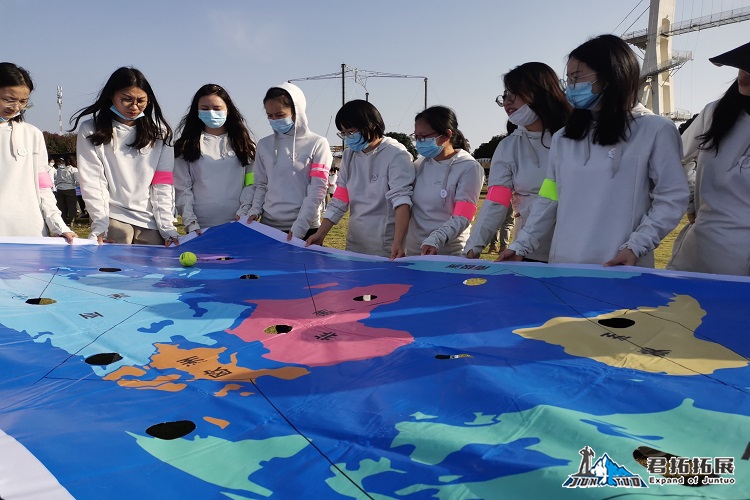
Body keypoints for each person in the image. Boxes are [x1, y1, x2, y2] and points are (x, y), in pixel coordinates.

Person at [498, 35, 689, 267]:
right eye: (568, 79)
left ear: (610, 76)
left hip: (618, 263)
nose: (570, 87)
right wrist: (522, 243)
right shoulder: (564, 137)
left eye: (577, 78)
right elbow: (550, 196)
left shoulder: (654, 130)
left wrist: (637, 245)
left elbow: (671, 197)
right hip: (564, 263)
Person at [465, 62, 571, 261]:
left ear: (541, 93)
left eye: (513, 95)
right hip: (528, 251)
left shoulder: (574, 138)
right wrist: (473, 247)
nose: (506, 102)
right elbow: (496, 201)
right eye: (504, 96)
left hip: (573, 247)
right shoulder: (508, 147)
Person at [71, 67, 179, 246]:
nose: (134, 107)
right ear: (111, 96)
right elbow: (92, 180)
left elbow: (163, 184)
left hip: (150, 221)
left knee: (154, 273)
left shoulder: (161, 134)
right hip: (112, 218)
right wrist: (100, 224)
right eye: (126, 99)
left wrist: (167, 227)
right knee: (113, 272)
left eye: (141, 100)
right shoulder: (91, 130)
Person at [668, 41, 750, 275]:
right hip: (699, 251)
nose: (744, 72)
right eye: (742, 65)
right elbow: (678, 158)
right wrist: (691, 204)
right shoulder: (715, 113)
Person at [305, 99, 415, 258]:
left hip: (385, 244)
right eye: (343, 133)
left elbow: (402, 203)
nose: (346, 137)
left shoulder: (395, 155)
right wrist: (321, 233)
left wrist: (398, 243)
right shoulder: (349, 155)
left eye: (351, 131)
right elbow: (340, 199)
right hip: (355, 241)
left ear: (372, 126)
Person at [0, 62, 75, 242]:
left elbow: (44, 188)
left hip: (29, 232)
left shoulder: (32, 134)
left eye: (23, 101)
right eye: (9, 99)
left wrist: (58, 225)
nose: (16, 107)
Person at [247, 82, 332, 240]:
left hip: (306, 228)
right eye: (269, 116)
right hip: (268, 226)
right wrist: (254, 210)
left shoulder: (318, 143)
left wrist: (300, 227)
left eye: (279, 115)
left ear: (296, 112)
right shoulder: (264, 145)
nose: (274, 120)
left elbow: (317, 189)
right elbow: (260, 184)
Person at [173, 84, 257, 235]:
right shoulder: (185, 146)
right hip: (200, 228)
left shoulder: (244, 145)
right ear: (196, 111)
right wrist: (190, 223)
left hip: (238, 224)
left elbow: (251, 183)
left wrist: (244, 212)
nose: (211, 113)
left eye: (217, 108)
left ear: (228, 109)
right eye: (205, 108)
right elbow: (182, 189)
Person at [406, 106, 483, 256]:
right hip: (415, 250)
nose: (419, 142)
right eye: (417, 137)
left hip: (448, 251)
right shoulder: (419, 164)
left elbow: (464, 214)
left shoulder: (469, 167)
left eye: (424, 137)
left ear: (447, 135)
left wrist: (437, 238)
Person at [54, 156, 78, 225]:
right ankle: (71, 220)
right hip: (70, 188)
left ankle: (63, 220)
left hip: (60, 189)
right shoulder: (73, 169)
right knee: (71, 206)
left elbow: (57, 179)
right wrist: (75, 185)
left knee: (61, 206)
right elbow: (78, 180)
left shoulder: (59, 169)